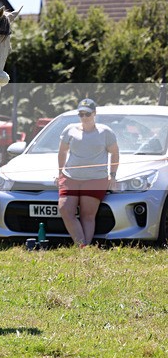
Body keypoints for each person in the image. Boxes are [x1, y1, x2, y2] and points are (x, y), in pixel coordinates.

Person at [57, 99, 119, 247]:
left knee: (87, 215)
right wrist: (60, 172)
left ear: (95, 114)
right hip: (70, 178)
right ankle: (82, 245)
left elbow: (115, 153)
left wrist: (113, 175)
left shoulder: (105, 132)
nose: (84, 117)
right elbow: (62, 152)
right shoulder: (70, 130)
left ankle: (83, 248)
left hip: (95, 179)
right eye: (81, 114)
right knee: (65, 210)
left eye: (87, 114)